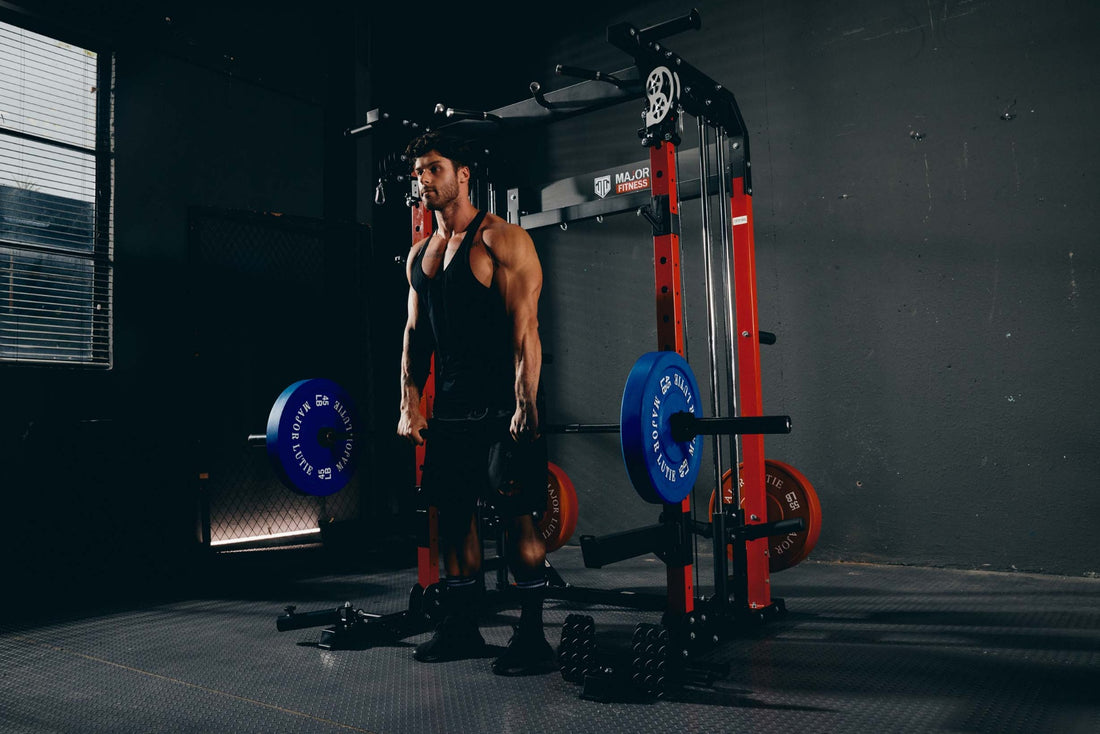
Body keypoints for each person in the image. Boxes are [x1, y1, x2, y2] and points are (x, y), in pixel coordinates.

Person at [396, 131, 553, 675]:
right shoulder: (421, 254)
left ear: (463, 175)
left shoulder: (502, 241)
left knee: (518, 521)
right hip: (452, 413)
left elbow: (526, 331)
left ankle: (533, 638)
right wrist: (408, 402)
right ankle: (462, 627)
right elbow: (414, 334)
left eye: (434, 169)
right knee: (454, 520)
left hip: (502, 410)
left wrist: (524, 404)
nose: (424, 181)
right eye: (419, 172)